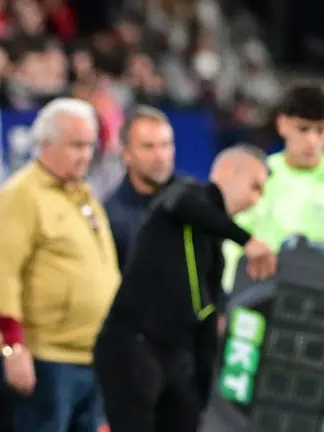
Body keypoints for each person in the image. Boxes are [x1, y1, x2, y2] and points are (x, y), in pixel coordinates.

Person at [94, 145, 277, 432]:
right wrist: (246, 240)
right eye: (255, 187)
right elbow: (184, 206)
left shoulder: (214, 249)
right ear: (227, 172)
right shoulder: (187, 194)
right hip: (133, 343)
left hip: (174, 356)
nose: (256, 200)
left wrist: (203, 393)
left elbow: (208, 317)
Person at [0, 98, 120, 432]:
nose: (86, 155)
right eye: (76, 145)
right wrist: (14, 348)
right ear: (45, 143)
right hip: (46, 359)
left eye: (90, 145)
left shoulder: (83, 193)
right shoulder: (21, 194)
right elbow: (3, 276)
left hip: (92, 357)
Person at [223, 83, 324, 292]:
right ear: (283, 125)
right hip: (262, 294)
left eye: (321, 131)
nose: (312, 141)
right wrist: (227, 294)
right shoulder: (260, 176)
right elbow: (233, 241)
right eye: (303, 129)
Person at [105, 105, 176, 270]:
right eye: (148, 147)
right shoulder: (111, 218)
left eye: (165, 145)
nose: (160, 156)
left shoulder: (193, 200)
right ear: (126, 154)